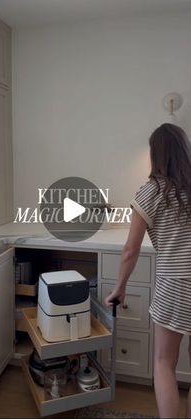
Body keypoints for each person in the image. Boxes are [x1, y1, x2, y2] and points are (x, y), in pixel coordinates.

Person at [104, 123, 191, 419]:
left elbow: (130, 249)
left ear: (156, 154)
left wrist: (120, 287)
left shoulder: (152, 191)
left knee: (164, 362)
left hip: (175, 283)